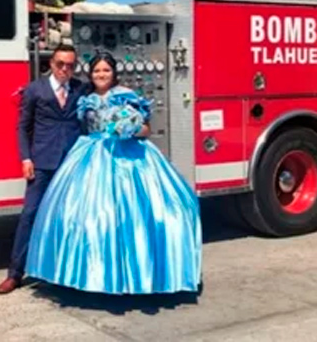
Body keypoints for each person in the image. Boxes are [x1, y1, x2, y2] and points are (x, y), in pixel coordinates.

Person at [24, 52, 202, 295]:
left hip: (128, 158)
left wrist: (129, 129)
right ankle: (90, 275)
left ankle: (135, 274)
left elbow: (147, 129)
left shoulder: (126, 95)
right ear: (90, 74)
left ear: (114, 73)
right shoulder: (85, 97)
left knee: (134, 216)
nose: (101, 75)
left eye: (106, 70)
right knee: (86, 217)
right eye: (97, 71)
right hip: (91, 156)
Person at [0, 43, 87, 295]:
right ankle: (15, 274)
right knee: (30, 216)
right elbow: (22, 128)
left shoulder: (81, 89)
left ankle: (65, 273)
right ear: (51, 64)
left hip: (71, 164)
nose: (65, 69)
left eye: (70, 65)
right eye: (60, 64)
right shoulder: (35, 89)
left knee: (69, 218)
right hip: (42, 164)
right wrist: (26, 159)